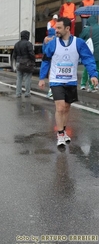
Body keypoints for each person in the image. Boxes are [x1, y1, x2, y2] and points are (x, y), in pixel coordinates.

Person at [38, 17, 98, 146]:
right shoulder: (53, 43)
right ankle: (60, 135)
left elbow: (87, 58)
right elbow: (46, 60)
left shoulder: (79, 43)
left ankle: (63, 131)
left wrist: (93, 74)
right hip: (56, 80)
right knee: (59, 107)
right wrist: (42, 77)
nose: (56, 31)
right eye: (55, 28)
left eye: (59, 28)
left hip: (70, 80)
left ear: (67, 29)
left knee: (66, 108)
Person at [80, 15, 99, 92]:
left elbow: (80, 39)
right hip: (98, 53)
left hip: (90, 53)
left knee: (89, 68)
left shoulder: (87, 29)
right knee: (97, 69)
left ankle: (90, 85)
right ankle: (96, 85)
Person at [14, 30, 35, 98]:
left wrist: (17, 61)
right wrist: (33, 60)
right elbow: (31, 54)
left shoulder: (16, 44)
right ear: (27, 36)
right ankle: (27, 93)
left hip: (18, 62)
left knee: (19, 78)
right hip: (27, 63)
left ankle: (18, 93)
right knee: (27, 78)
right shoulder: (28, 44)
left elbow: (14, 55)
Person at [42, 28, 56, 97]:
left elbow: (43, 48)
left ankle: (50, 90)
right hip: (54, 57)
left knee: (49, 73)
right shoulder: (55, 38)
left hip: (47, 57)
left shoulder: (45, 39)